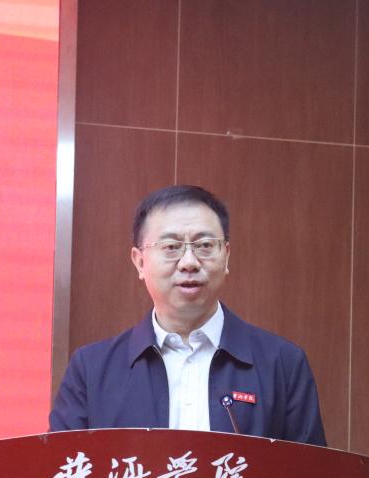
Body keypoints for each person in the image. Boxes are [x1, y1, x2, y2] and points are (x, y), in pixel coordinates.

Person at [48, 185, 326, 446]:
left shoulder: (283, 364)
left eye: (205, 245)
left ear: (226, 256)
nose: (189, 262)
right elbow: (62, 472)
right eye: (171, 247)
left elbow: (310, 476)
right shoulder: (92, 370)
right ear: (140, 261)